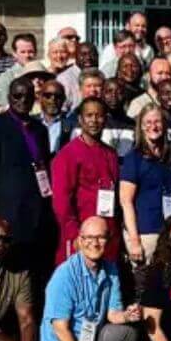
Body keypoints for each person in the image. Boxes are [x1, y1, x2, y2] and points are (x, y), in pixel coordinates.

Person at [41, 215, 140, 341]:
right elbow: (61, 330)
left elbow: (112, 314)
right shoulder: (64, 275)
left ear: (108, 240)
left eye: (101, 237)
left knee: (126, 334)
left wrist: (126, 315)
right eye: (88, 237)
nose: (94, 243)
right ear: (79, 240)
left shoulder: (111, 270)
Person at [0, 76, 59, 306]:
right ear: (9, 97)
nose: (22, 100)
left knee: (35, 282)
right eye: (17, 96)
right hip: (7, 217)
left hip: (37, 216)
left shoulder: (39, 129)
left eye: (28, 96)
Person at [51, 97, 120, 264]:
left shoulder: (110, 154)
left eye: (99, 115)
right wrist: (75, 234)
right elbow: (61, 202)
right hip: (83, 237)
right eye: (89, 115)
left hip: (108, 234)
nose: (94, 120)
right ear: (80, 120)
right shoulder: (68, 155)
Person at [120, 105, 171, 267]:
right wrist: (134, 241)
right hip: (144, 234)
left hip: (166, 230)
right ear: (141, 126)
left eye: (157, 121)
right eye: (148, 122)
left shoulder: (169, 156)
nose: (153, 126)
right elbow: (126, 201)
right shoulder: (133, 158)